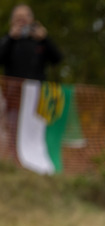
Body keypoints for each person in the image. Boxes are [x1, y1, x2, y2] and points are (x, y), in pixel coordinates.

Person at [0, 4, 62, 160]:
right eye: (18, 17)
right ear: (12, 21)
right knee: (13, 127)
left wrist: (45, 39)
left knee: (35, 129)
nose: (22, 20)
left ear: (32, 19)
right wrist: (9, 38)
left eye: (25, 16)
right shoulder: (9, 41)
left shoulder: (40, 41)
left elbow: (57, 59)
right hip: (14, 94)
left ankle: (35, 159)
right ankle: (13, 160)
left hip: (37, 96)